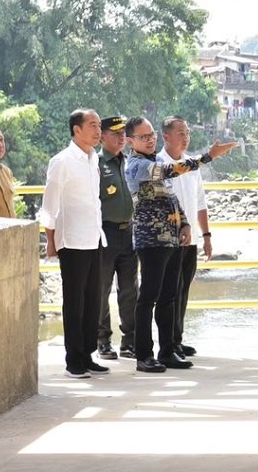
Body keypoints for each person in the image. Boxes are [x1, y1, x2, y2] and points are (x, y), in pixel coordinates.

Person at [124, 116, 236, 373]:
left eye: (151, 134)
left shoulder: (153, 160)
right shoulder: (137, 166)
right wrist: (207, 157)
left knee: (169, 297)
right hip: (151, 240)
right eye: (143, 137)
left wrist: (185, 224)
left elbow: (170, 198)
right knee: (148, 298)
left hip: (172, 239)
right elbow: (170, 171)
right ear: (130, 141)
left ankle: (167, 351)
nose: (150, 139)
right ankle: (144, 355)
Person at [39, 109, 110, 379]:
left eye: (99, 126)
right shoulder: (62, 161)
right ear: (76, 130)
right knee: (75, 302)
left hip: (94, 237)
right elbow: (50, 205)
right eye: (92, 125)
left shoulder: (93, 160)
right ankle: (73, 360)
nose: (97, 130)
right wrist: (50, 240)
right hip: (71, 240)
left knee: (94, 299)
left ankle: (88, 353)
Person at [158, 116, 211, 360]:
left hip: (190, 240)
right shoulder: (159, 165)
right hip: (169, 240)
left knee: (183, 290)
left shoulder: (192, 164)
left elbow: (200, 202)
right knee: (168, 293)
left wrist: (206, 235)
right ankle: (167, 345)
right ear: (166, 136)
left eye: (187, 132)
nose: (186, 136)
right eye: (180, 132)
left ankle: (177, 340)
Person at [96, 115, 137, 361]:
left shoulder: (128, 162)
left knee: (131, 289)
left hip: (129, 232)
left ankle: (130, 341)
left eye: (123, 133)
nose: (121, 137)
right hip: (106, 232)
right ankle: (103, 341)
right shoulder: (97, 164)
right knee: (102, 289)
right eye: (115, 133)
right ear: (102, 136)